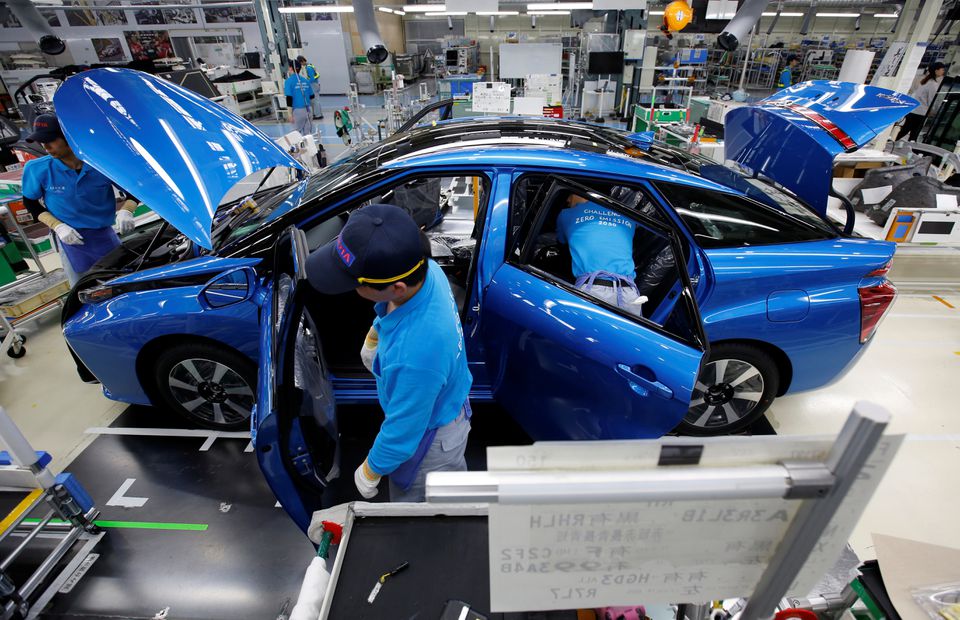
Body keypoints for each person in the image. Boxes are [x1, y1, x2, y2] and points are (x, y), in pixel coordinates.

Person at [307, 204, 473, 502]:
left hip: (432, 441)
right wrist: (374, 336)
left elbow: (402, 432)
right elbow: (390, 311)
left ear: (396, 287)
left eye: (354, 284)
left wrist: (371, 470)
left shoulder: (417, 354)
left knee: (422, 512)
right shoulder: (424, 269)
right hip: (445, 399)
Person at [20, 114, 138, 285]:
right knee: (83, 289)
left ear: (68, 137)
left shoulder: (100, 163)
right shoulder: (38, 169)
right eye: (41, 141)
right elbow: (29, 202)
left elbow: (133, 191)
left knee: (122, 281)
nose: (45, 146)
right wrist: (58, 226)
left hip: (104, 234)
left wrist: (127, 210)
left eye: (50, 140)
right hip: (70, 238)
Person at [556, 193, 646, 314]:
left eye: (568, 195)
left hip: (592, 290)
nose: (567, 200)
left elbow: (561, 241)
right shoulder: (628, 216)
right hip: (629, 294)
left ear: (579, 192)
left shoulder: (566, 215)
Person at [897, 62, 946, 142]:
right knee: (914, 133)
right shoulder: (933, 84)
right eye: (942, 70)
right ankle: (909, 149)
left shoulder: (925, 81)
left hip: (914, 110)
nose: (943, 72)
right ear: (936, 71)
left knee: (906, 130)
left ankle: (890, 143)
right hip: (920, 112)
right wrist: (933, 111)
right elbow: (931, 100)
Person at [284, 59, 314, 137]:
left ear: (290, 68)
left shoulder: (289, 81)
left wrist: (290, 114)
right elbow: (312, 96)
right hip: (308, 110)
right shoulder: (306, 81)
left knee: (295, 135)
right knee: (308, 136)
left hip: (298, 111)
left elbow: (289, 98)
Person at [297, 55, 323, 120]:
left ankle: (318, 115)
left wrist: (305, 82)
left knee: (315, 100)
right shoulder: (310, 65)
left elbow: (311, 78)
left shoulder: (308, 68)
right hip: (315, 84)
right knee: (315, 100)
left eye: (300, 63)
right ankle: (317, 113)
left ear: (302, 61)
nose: (301, 65)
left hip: (313, 85)